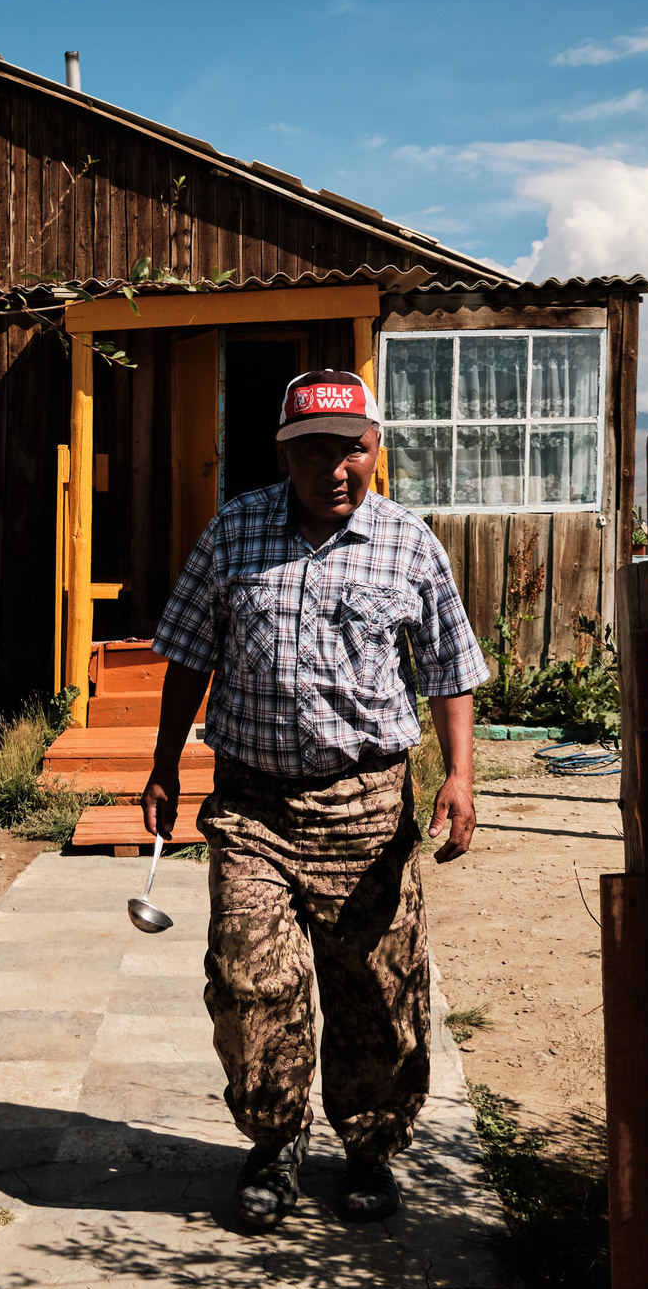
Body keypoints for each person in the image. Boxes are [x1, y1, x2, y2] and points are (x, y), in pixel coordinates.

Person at [141, 368, 490, 1228]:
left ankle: (370, 1149)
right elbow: (188, 650)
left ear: (374, 450)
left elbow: (448, 667)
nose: (336, 468)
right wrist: (162, 763)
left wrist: (460, 773)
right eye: (315, 452)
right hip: (252, 805)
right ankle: (273, 1142)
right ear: (284, 453)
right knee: (250, 979)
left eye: (353, 449)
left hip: (367, 809)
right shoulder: (234, 531)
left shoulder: (409, 544)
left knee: (376, 987)